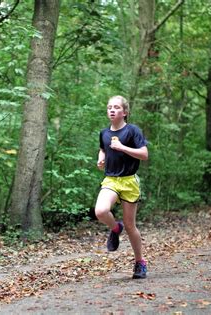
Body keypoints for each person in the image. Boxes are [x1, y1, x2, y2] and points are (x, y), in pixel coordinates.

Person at [94, 95, 149, 279]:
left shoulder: (133, 131)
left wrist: (122, 147)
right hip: (111, 179)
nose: (112, 110)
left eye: (116, 107)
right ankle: (115, 228)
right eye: (109, 107)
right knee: (101, 211)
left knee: (130, 225)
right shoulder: (104, 133)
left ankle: (140, 262)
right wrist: (101, 158)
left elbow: (144, 154)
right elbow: (103, 148)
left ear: (124, 112)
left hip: (129, 181)